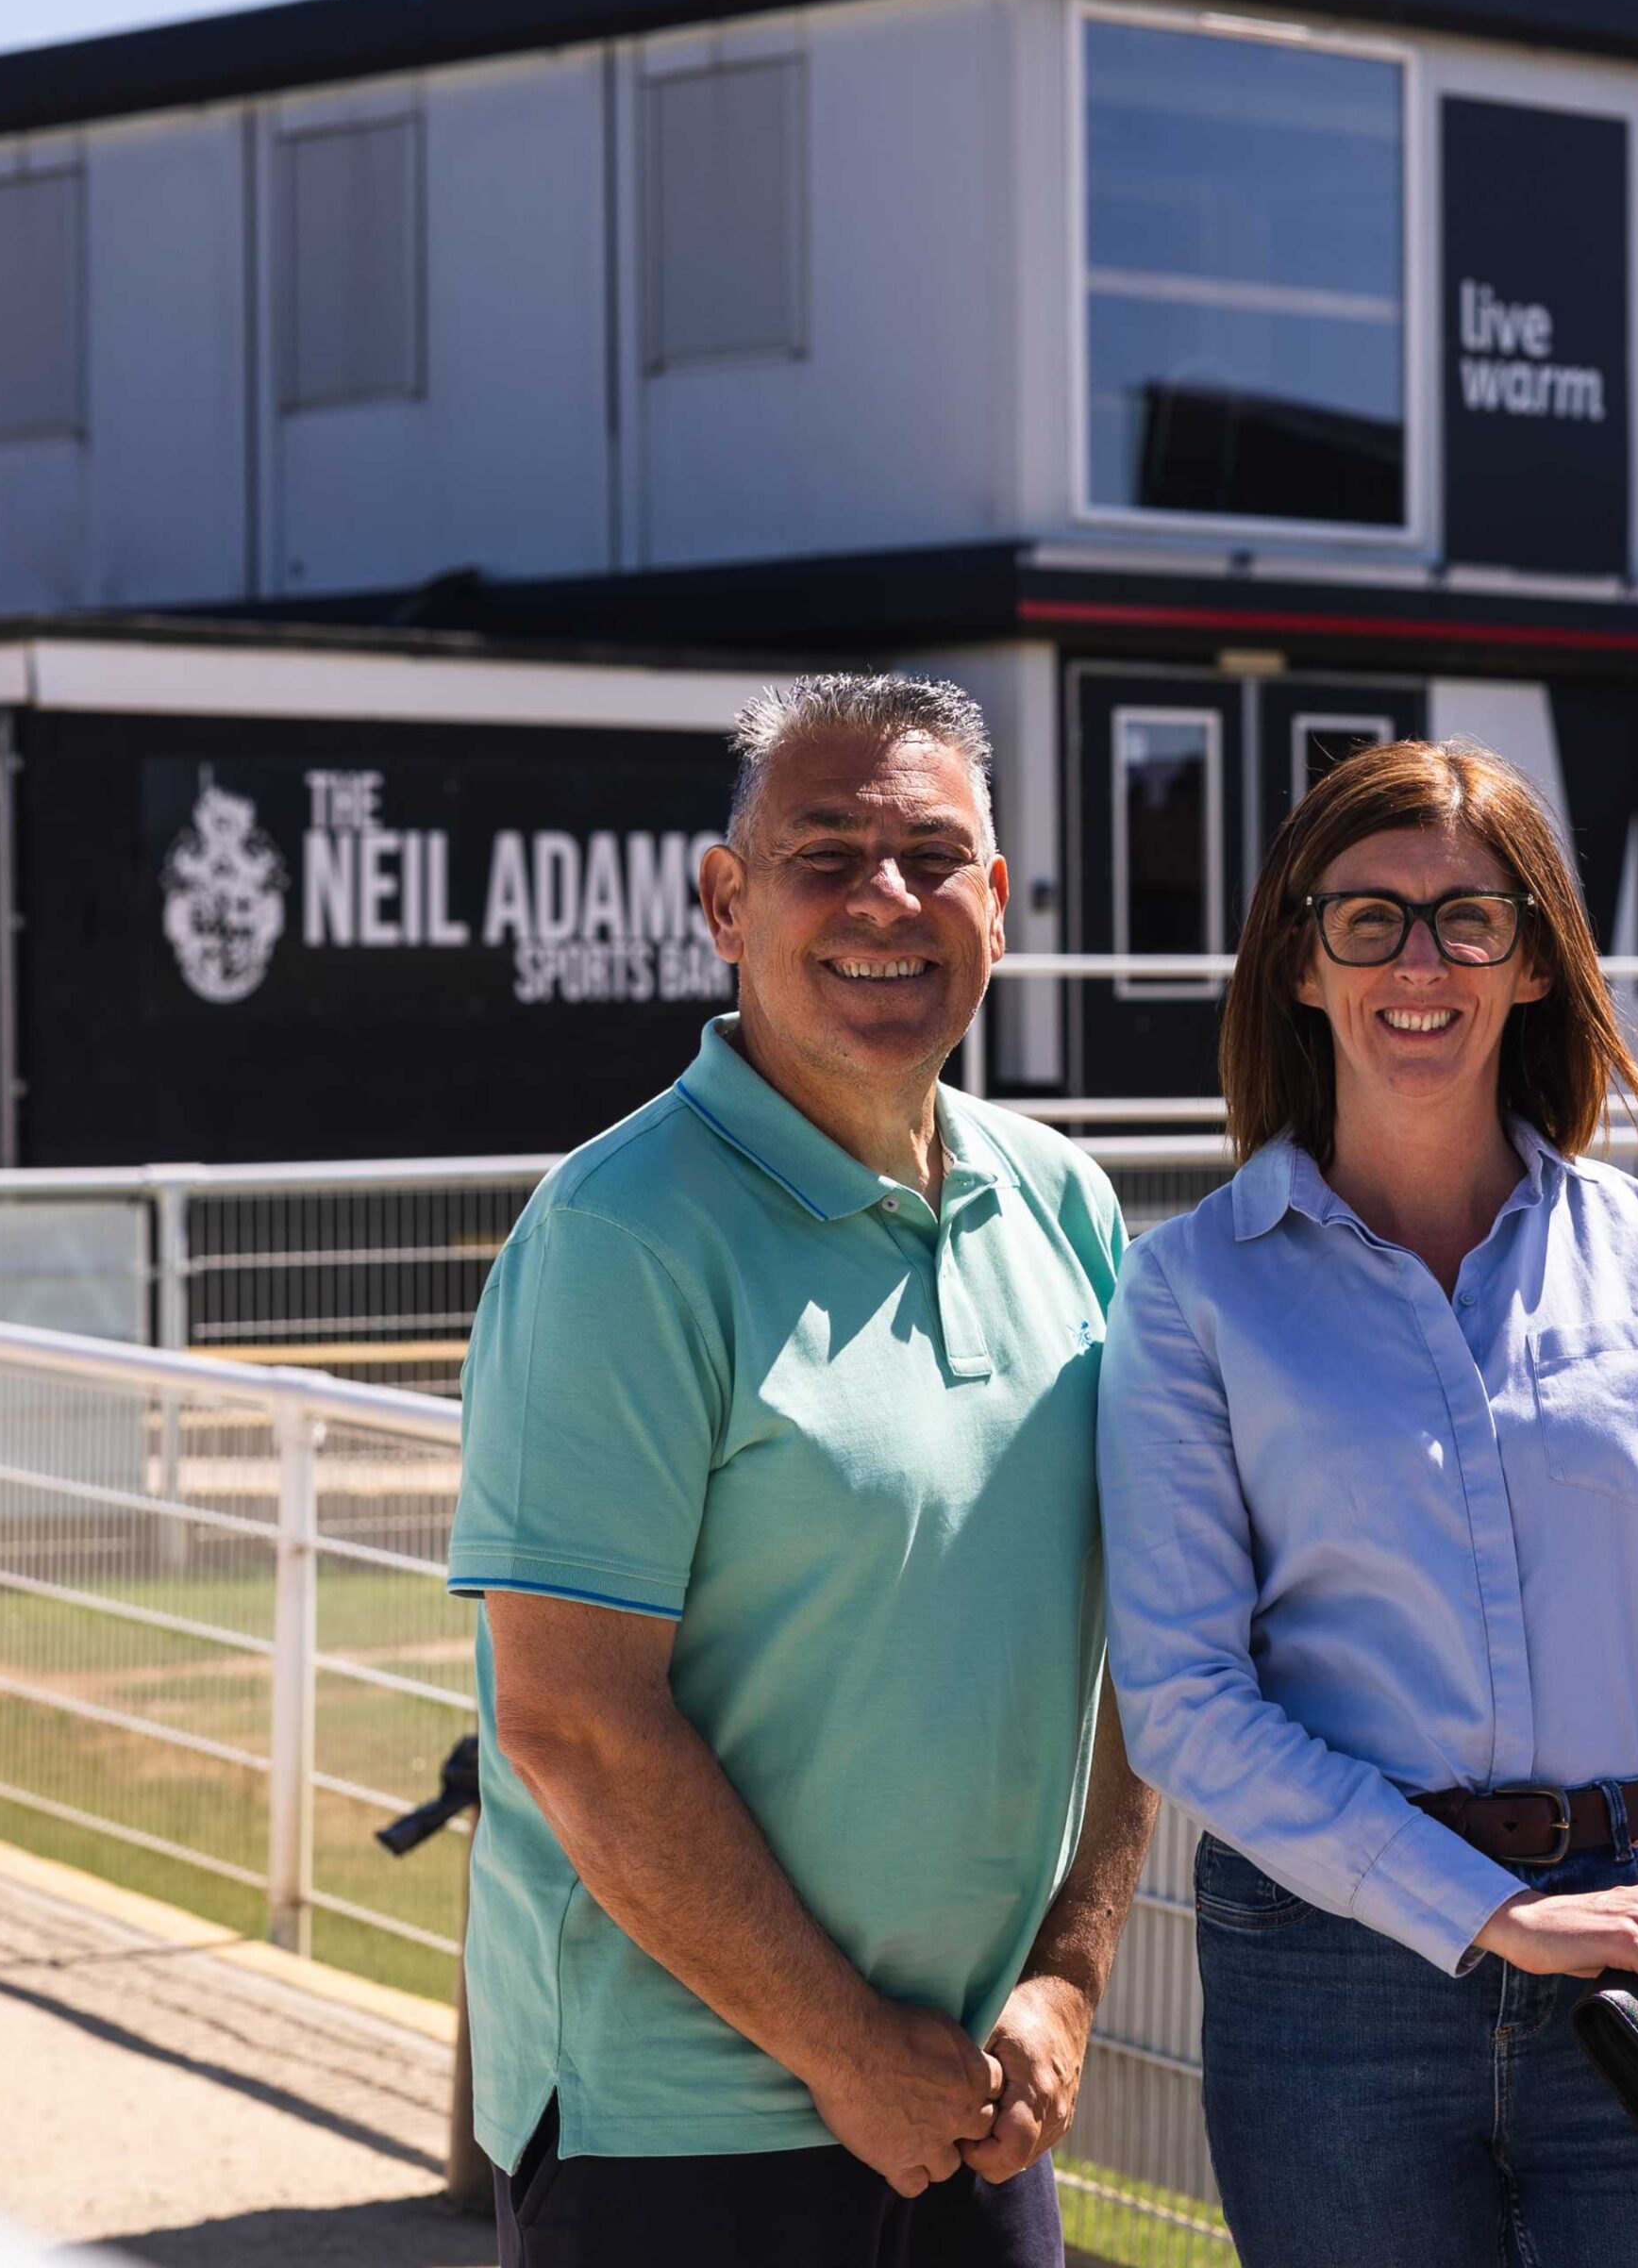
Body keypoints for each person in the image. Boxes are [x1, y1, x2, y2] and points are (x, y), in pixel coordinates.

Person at [1095, 739, 1638, 2268]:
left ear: (1532, 963)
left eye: (1469, 919)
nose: (1418, 962)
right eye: (1367, 919)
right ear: (1301, 965)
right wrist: (1498, 1914)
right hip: (1332, 1983)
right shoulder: (1186, 1293)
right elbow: (1181, 1701)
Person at [447, 675, 1157, 2268]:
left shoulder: (1068, 1211)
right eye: (824, 854)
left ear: (998, 901)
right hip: (672, 2132)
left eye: (933, 856)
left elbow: (1147, 1631)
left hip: (971, 2098)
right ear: (726, 902)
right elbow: (574, 1719)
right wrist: (841, 2046)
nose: (884, 899)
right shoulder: (620, 1237)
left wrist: (1068, 1973)